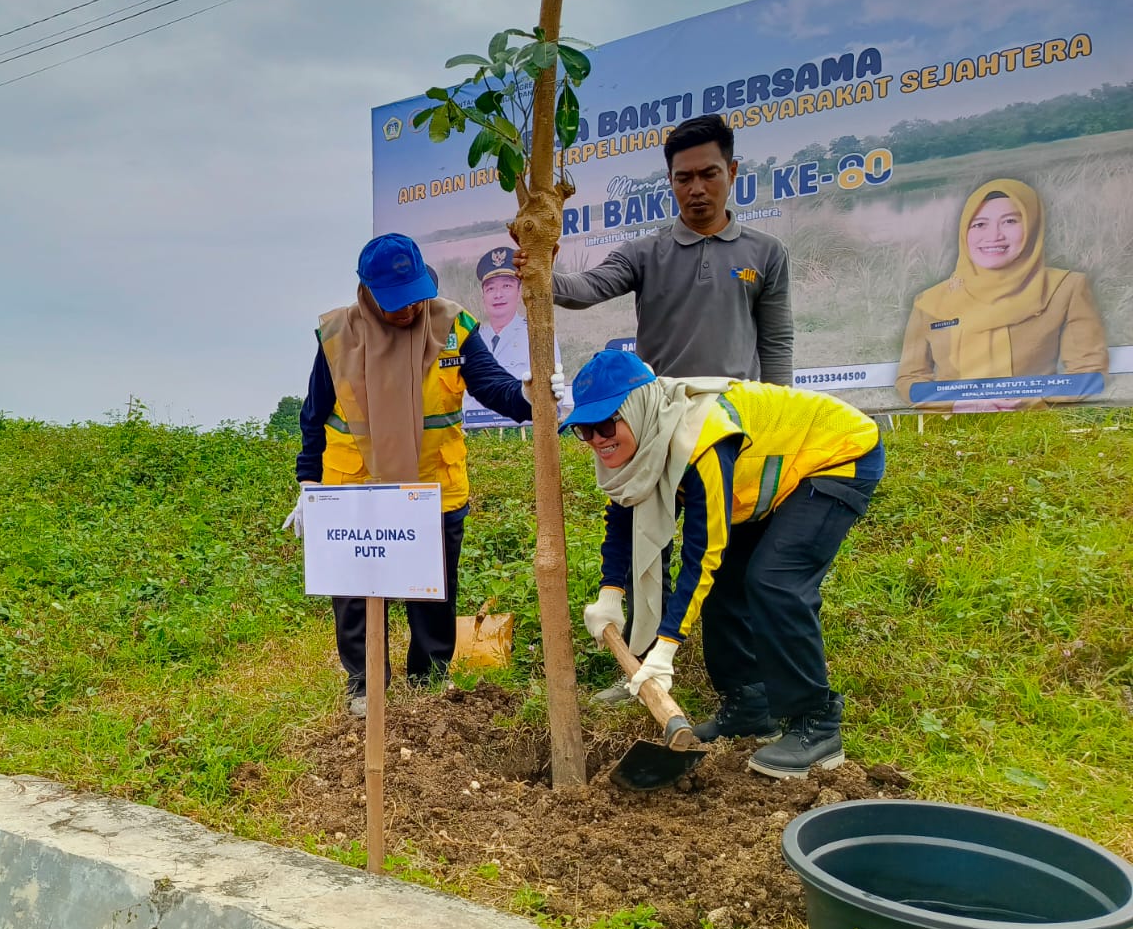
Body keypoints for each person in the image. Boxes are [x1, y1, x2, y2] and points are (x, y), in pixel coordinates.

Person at [567, 349, 883, 778]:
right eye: (584, 430)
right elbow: (624, 517)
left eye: (606, 424)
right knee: (727, 588)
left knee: (775, 581)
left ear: (638, 408)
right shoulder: (638, 447)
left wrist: (665, 649)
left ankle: (818, 724)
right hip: (765, 478)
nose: (597, 440)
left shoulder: (700, 441)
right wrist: (610, 593)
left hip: (835, 456)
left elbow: (703, 553)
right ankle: (751, 705)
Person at [288, 233, 563, 717]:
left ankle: (429, 681)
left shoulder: (452, 325)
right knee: (355, 593)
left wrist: (530, 394)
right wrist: (308, 483)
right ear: (365, 292)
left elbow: (493, 386)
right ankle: (364, 684)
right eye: (393, 302)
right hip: (355, 489)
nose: (406, 310)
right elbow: (315, 415)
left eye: (414, 296)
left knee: (431, 592)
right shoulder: (338, 338)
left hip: (431, 489)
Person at [513, 114, 794, 386]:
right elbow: (588, 287)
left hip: (737, 415)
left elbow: (776, 342)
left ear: (731, 172)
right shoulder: (643, 253)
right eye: (684, 178)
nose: (697, 189)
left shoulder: (768, 252)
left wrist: (780, 417)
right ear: (671, 180)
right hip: (663, 415)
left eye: (709, 174)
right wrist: (540, 272)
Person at [896, 178, 1108, 407]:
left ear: (1032, 225)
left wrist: (1031, 400)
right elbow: (910, 379)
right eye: (979, 224)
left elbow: (1089, 372)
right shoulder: (930, 302)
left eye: (1009, 221)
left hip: (1037, 428)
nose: (994, 236)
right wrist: (960, 403)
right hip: (949, 430)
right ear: (964, 232)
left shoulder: (1066, 287)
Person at [462, 245, 572, 425]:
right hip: (475, 432)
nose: (498, 295)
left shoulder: (537, 335)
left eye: (506, 286)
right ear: (483, 296)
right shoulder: (470, 338)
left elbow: (550, 390)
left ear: (519, 291)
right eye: (490, 289)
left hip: (523, 429)